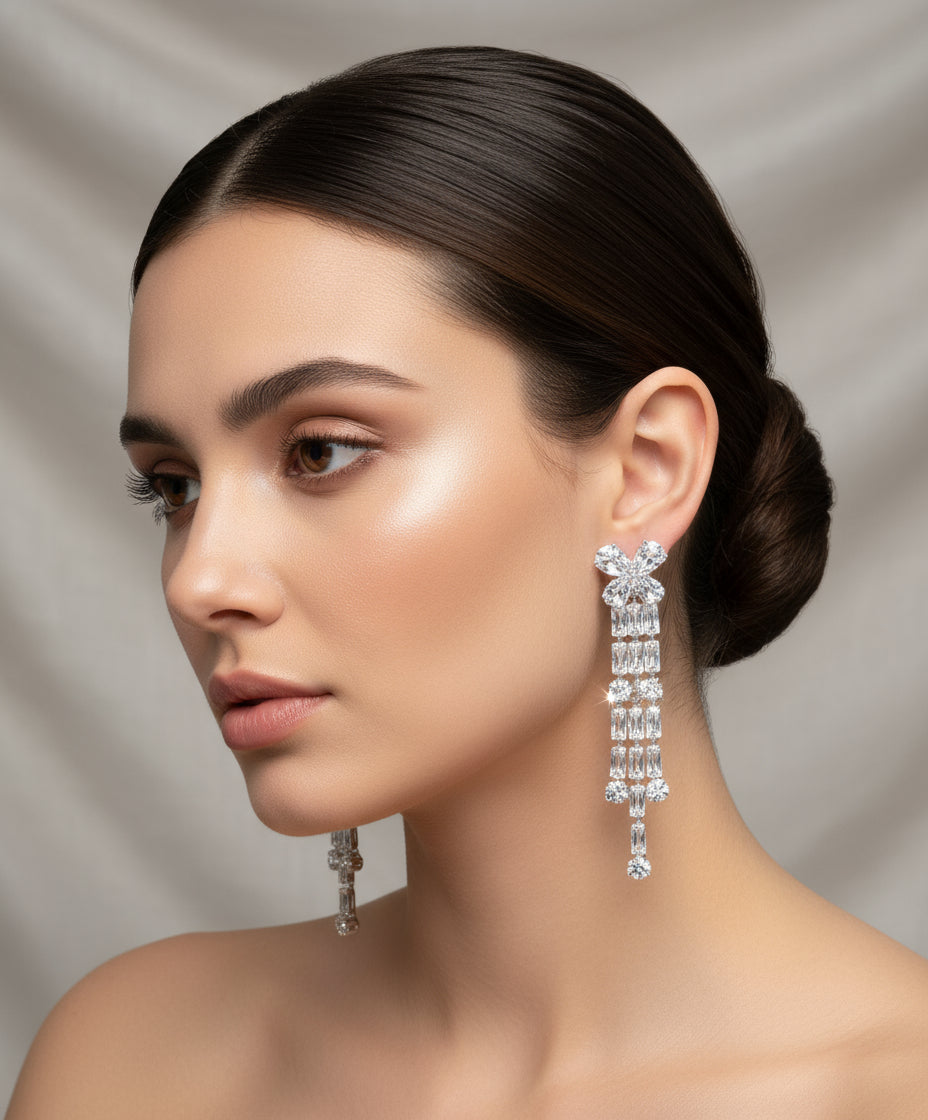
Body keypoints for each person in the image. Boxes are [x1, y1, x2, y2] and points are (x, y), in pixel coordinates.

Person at [7, 45, 927, 1118]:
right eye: (173, 486)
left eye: (320, 451)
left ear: (647, 470)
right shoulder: (127, 1064)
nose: (199, 578)